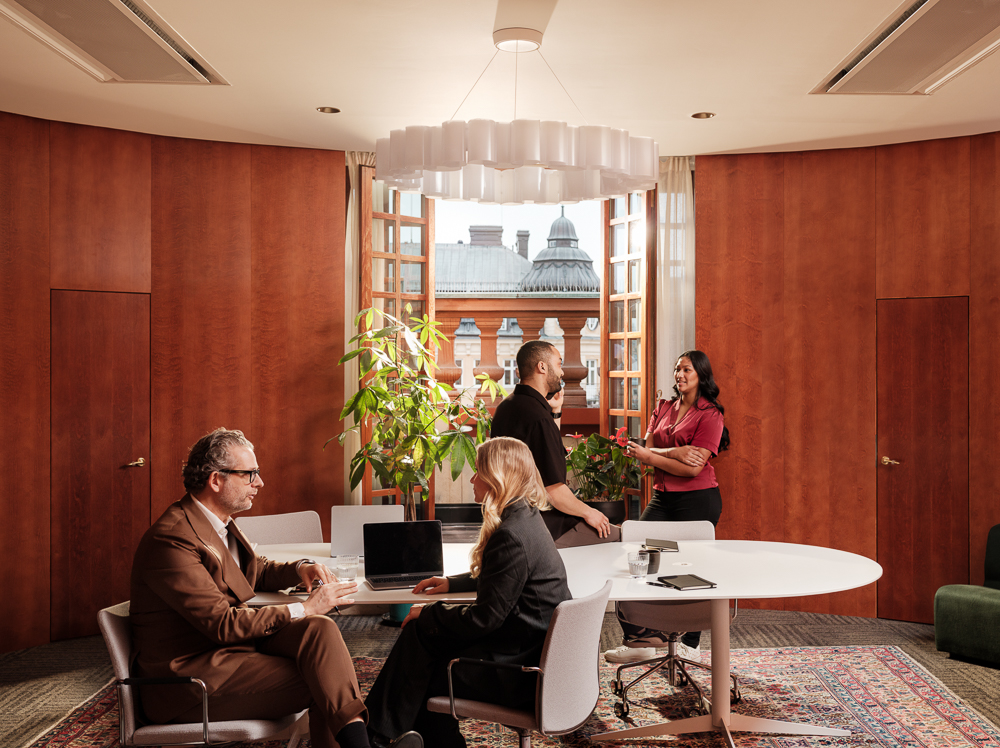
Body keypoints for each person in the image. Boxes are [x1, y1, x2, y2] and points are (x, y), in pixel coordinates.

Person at [129, 427, 421, 748]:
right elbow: (222, 624)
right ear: (215, 480)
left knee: (319, 629)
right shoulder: (172, 539)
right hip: (190, 683)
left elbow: (254, 570)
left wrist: (300, 568)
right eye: (249, 474)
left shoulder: (216, 522)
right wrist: (304, 607)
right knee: (325, 680)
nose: (259, 482)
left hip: (228, 655)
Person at [364, 437, 571, 748]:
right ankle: (377, 736)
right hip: (530, 650)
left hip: (520, 671)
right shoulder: (527, 519)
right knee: (420, 641)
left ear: (498, 477)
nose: (472, 479)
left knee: (424, 666)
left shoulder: (511, 535)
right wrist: (453, 583)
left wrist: (429, 612)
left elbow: (484, 619)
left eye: (479, 472)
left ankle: (373, 736)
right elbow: (506, 578)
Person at [603, 350, 731, 664]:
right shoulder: (663, 407)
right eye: (677, 369)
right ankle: (642, 639)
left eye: (687, 370)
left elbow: (692, 468)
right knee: (635, 555)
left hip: (698, 498)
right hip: (663, 497)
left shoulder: (711, 414)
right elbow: (646, 449)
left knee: (694, 570)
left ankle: (691, 643)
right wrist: (677, 451)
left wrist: (653, 456)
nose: (680, 375)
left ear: (701, 375)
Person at [490, 339, 618, 547]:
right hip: (545, 524)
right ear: (542, 367)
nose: (562, 372)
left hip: (513, 519)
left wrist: (555, 412)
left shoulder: (508, 406)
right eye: (559, 364)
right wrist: (590, 513)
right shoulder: (538, 417)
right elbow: (554, 491)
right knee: (617, 539)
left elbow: (544, 452)